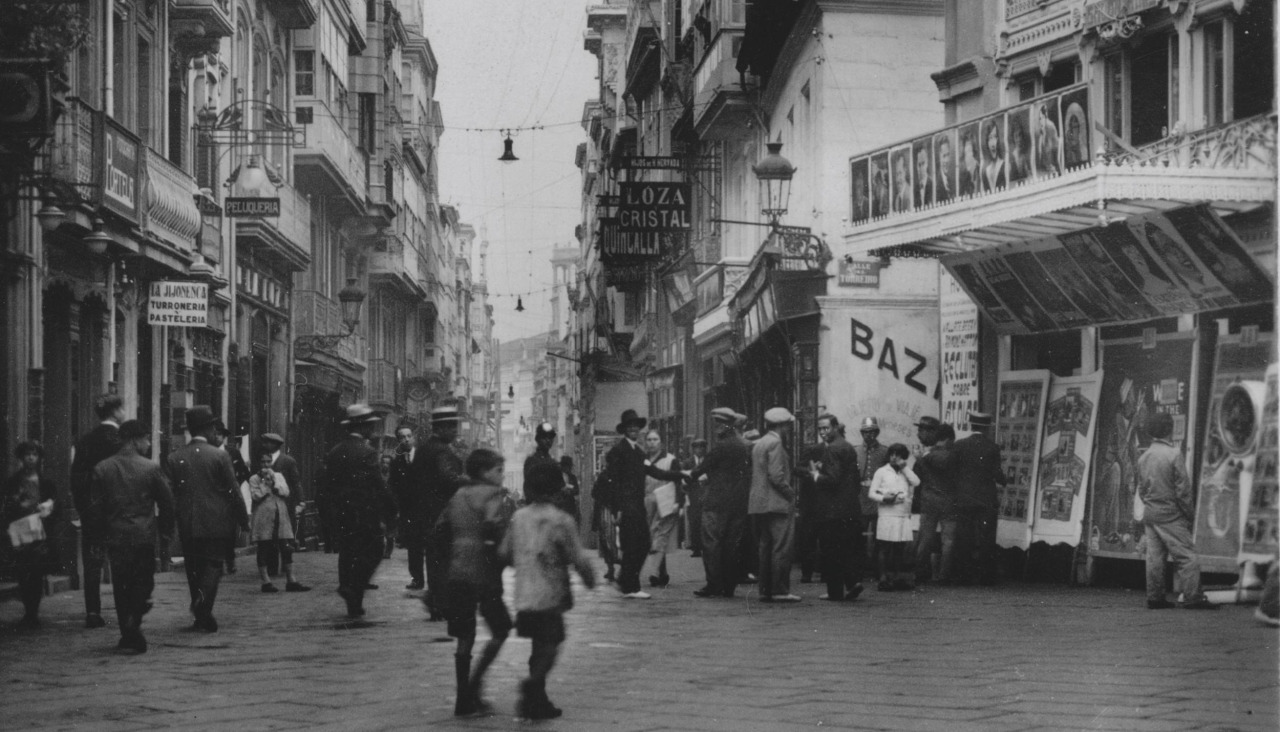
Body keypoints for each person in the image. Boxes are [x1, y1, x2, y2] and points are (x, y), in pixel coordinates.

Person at [498, 462, 596, 720]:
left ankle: (538, 700)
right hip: (552, 592)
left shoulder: (518, 517)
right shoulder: (562, 520)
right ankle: (533, 683)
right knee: (552, 643)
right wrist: (589, 579)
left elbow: (504, 554)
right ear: (557, 491)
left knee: (537, 645)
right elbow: (579, 558)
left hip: (524, 592)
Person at [434, 448, 514, 717]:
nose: (502, 476)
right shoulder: (493, 495)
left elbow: (440, 531)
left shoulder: (457, 496)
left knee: (464, 637)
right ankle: (474, 685)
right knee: (501, 629)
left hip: (458, 573)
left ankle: (462, 700)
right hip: (485, 574)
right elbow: (494, 529)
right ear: (484, 472)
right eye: (498, 470)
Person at [88, 420, 174, 653]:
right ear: (135, 440)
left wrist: (95, 539)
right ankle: (134, 619)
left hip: (115, 536)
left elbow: (94, 510)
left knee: (121, 583)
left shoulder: (102, 468)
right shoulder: (150, 468)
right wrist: (166, 531)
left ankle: (127, 631)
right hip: (143, 535)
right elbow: (167, 502)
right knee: (144, 581)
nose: (147, 444)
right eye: (146, 439)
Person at [166, 405, 248, 632]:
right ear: (209, 428)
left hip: (188, 524)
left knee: (193, 568)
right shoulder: (220, 455)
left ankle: (201, 616)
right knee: (213, 564)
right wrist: (243, 519)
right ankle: (203, 607)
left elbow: (169, 493)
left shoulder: (175, 457)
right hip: (216, 522)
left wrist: (171, 520)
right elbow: (233, 491)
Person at [321, 403, 397, 620]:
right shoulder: (367, 452)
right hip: (364, 512)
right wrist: (391, 508)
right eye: (371, 425)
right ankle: (355, 586)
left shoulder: (335, 452)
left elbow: (327, 486)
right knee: (374, 550)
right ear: (363, 427)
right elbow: (378, 484)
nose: (373, 429)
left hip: (341, 513)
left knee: (347, 551)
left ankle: (352, 597)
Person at [600, 409, 686, 599]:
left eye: (636, 427)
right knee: (634, 545)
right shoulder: (618, 452)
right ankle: (630, 586)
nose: (633, 430)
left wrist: (681, 474)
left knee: (643, 544)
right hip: (626, 507)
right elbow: (611, 482)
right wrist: (616, 509)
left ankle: (627, 581)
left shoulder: (639, 453)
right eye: (630, 427)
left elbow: (656, 472)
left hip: (637, 506)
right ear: (624, 430)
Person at [1138, 413, 1217, 610]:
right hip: (1170, 514)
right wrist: (1189, 515)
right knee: (1187, 556)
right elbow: (1183, 492)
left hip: (1150, 513)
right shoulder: (1174, 455)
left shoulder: (1144, 457)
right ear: (1169, 430)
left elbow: (1141, 489)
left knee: (1154, 558)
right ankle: (1194, 597)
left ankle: (1155, 598)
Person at [70, 393, 126, 629]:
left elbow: (76, 479)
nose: (124, 413)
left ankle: (92, 610)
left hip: (93, 514)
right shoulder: (120, 440)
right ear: (115, 412)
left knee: (93, 563)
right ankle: (124, 610)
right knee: (121, 562)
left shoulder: (85, 440)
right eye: (122, 409)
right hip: (118, 513)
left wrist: (86, 509)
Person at [690, 408, 753, 598]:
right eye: (716, 423)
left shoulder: (721, 446)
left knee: (711, 544)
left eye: (720, 424)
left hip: (716, 502)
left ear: (729, 425)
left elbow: (701, 468)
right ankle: (729, 586)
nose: (717, 427)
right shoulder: (744, 445)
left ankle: (714, 584)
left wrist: (689, 477)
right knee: (731, 545)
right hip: (738, 503)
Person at [415, 404, 468, 619]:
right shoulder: (442, 451)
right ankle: (439, 601)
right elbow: (449, 480)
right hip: (442, 513)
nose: (455, 432)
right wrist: (469, 480)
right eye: (452, 427)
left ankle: (436, 598)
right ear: (443, 428)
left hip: (425, 512)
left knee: (435, 558)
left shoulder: (423, 448)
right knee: (443, 558)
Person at [2, 440, 58, 628]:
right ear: (21, 458)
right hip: (20, 531)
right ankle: (28, 609)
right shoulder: (13, 482)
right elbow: (7, 506)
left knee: (36, 571)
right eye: (28, 454)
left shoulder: (46, 482)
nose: (31, 458)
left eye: (34, 454)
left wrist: (48, 508)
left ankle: (32, 611)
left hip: (39, 532)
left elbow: (55, 506)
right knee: (23, 571)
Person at [949, 411, 1006, 585]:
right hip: (986, 499)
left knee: (964, 535)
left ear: (971, 425)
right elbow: (997, 474)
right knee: (986, 537)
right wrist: (1004, 481)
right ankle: (985, 577)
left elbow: (952, 471)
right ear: (987, 428)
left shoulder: (959, 445)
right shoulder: (992, 447)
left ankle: (962, 576)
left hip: (965, 497)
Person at [749, 407, 800, 603]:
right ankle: (780, 589)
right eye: (788, 425)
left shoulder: (760, 443)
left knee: (765, 548)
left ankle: (765, 590)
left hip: (760, 504)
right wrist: (791, 494)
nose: (789, 429)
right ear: (781, 426)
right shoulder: (776, 443)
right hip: (777, 504)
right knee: (781, 548)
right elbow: (776, 476)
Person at [811, 415, 863, 601]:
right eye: (820, 429)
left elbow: (832, 479)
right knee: (845, 548)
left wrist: (816, 475)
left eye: (826, 428)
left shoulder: (832, 449)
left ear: (835, 427)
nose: (823, 432)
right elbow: (855, 478)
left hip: (832, 509)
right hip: (849, 507)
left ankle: (835, 592)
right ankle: (852, 582)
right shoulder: (848, 446)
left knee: (831, 551)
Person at [245, 452, 309, 593]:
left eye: (268, 462)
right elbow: (256, 496)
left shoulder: (278, 476)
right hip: (264, 516)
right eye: (263, 462)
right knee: (264, 548)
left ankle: (291, 580)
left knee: (286, 547)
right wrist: (264, 484)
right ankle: (266, 581)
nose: (266, 465)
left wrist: (273, 484)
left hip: (280, 514)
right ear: (259, 464)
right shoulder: (254, 479)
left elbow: (286, 492)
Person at [869, 443, 919, 591]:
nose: (894, 457)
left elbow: (916, 482)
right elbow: (872, 493)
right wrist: (884, 498)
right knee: (885, 547)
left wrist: (904, 468)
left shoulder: (905, 472)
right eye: (891, 454)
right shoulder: (882, 471)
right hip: (887, 514)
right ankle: (883, 577)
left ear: (903, 457)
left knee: (899, 547)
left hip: (902, 514)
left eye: (897, 455)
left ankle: (896, 577)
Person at [913, 419, 954, 584]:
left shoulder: (927, 455)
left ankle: (920, 572)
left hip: (929, 501)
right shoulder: (953, 454)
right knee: (948, 540)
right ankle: (944, 575)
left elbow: (919, 477)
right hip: (949, 501)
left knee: (925, 538)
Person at [641, 429, 684, 588]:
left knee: (661, 534)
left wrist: (678, 502)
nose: (652, 443)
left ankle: (655, 573)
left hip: (665, 499)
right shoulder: (643, 459)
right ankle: (662, 572)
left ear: (661, 442)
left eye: (655, 439)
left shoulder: (670, 460)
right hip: (648, 500)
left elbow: (678, 481)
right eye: (649, 440)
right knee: (652, 536)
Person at [853, 417, 889, 585]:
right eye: (865, 432)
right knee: (858, 536)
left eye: (872, 432)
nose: (869, 435)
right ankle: (858, 571)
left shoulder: (884, 452)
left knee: (877, 537)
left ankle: (878, 570)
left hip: (877, 498)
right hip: (860, 497)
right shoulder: (855, 451)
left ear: (876, 433)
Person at [388, 424, 424, 590]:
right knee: (414, 546)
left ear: (413, 437)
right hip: (408, 512)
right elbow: (393, 487)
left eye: (409, 436)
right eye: (402, 437)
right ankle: (417, 578)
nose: (406, 439)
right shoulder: (397, 463)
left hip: (425, 509)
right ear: (399, 441)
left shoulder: (423, 458)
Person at [213, 422, 249, 575]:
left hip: (229, 498)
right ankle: (218, 563)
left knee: (229, 531)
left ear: (224, 437)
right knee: (215, 531)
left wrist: (239, 484)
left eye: (219, 435)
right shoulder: (208, 452)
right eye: (214, 434)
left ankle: (230, 559)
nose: (216, 438)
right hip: (213, 497)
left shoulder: (233, 453)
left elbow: (244, 472)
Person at [683, 440, 707, 558]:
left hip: (706, 494)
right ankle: (696, 547)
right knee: (694, 521)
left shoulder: (708, 461)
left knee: (705, 521)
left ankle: (705, 547)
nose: (700, 450)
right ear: (693, 450)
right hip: (693, 494)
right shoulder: (688, 462)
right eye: (697, 448)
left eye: (702, 448)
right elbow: (685, 479)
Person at [981, 118, 1006, 192]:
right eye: (989, 138)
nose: (993, 144)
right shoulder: (986, 170)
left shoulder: (1004, 165)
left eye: (995, 137)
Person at [559, 456, 581, 527]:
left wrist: (570, 492)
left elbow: (577, 490)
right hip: (560, 505)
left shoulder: (572, 477)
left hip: (570, 506)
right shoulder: (558, 477)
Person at [934, 134, 955, 203]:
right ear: (938, 158)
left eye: (948, 155)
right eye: (944, 156)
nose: (947, 160)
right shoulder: (936, 183)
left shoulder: (952, 179)